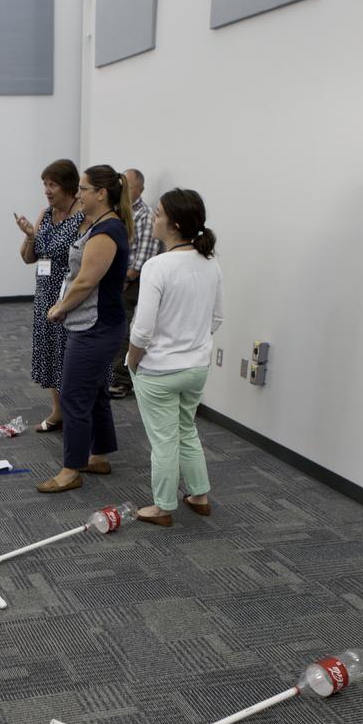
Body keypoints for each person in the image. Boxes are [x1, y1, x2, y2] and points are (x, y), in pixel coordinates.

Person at [126, 188, 223, 525]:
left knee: (164, 440)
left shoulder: (158, 266)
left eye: (158, 214)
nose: (153, 219)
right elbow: (217, 319)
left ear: (175, 223)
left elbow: (142, 330)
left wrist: (132, 360)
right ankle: (199, 495)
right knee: (186, 429)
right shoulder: (210, 264)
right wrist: (192, 343)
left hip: (159, 370)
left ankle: (162, 507)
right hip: (196, 367)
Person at [36, 165, 133, 493]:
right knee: (94, 393)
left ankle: (70, 469)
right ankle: (98, 456)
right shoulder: (101, 226)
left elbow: (86, 281)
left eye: (84, 189)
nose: (79, 194)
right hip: (94, 323)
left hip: (95, 327)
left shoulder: (106, 232)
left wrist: (59, 309)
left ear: (101, 194)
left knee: (74, 395)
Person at [14, 160, 83, 432]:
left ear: (68, 186)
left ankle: (75, 414)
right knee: (50, 355)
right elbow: (28, 257)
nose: (47, 190)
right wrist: (31, 235)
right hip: (44, 295)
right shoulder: (45, 214)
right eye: (45, 184)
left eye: (52, 184)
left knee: (68, 358)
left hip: (69, 296)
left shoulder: (82, 217)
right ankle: (57, 412)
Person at [109, 168, 160, 398]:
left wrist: (126, 279)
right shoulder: (119, 212)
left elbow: (144, 256)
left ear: (140, 189)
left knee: (123, 330)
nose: (125, 190)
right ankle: (111, 374)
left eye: (129, 186)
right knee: (112, 327)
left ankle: (121, 381)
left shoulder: (144, 215)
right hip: (116, 278)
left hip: (131, 282)